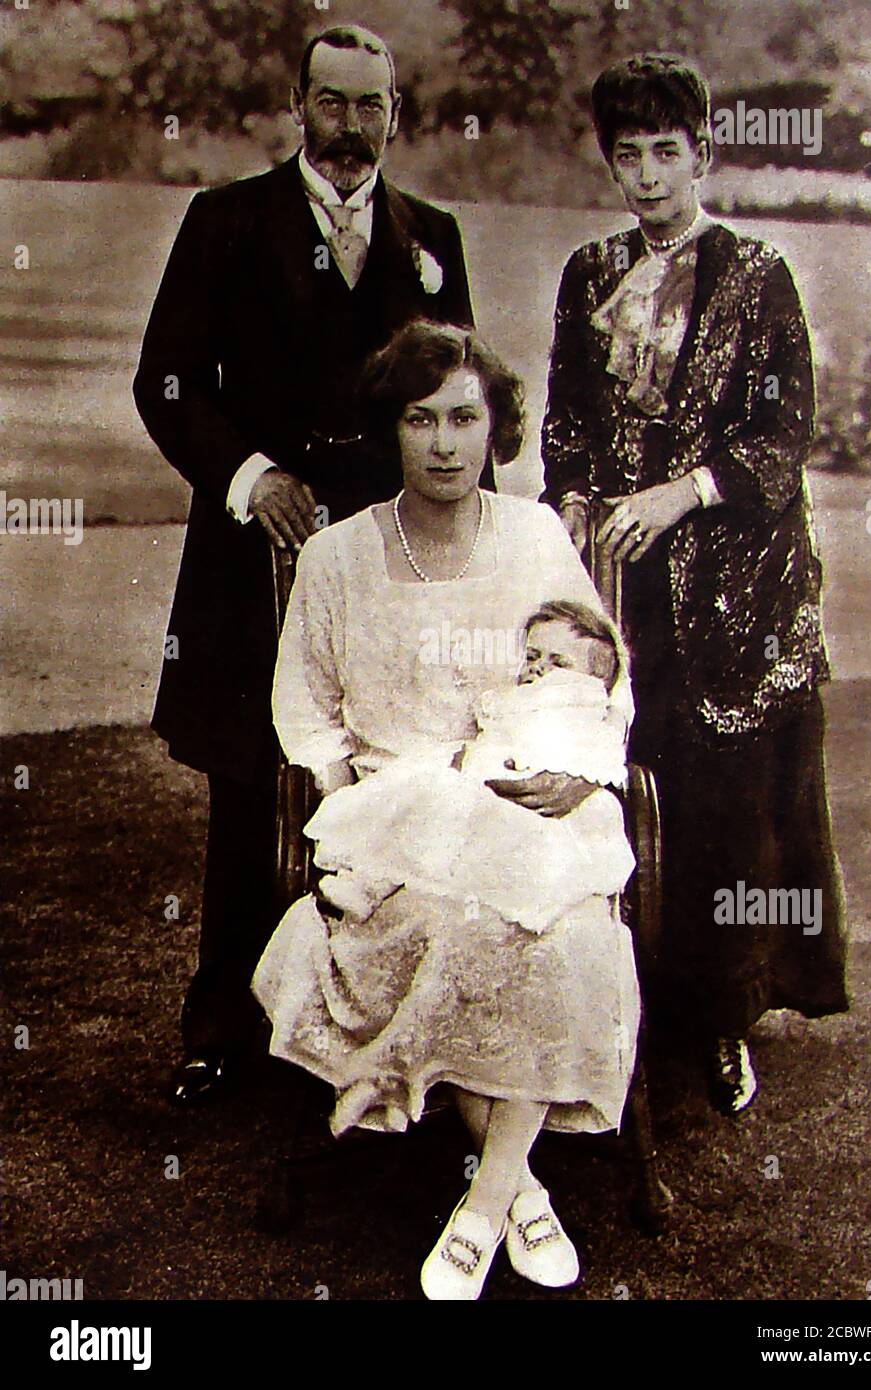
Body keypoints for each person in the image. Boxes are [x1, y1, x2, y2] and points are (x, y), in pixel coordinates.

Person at [253, 321, 641, 1299]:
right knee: (455, 926)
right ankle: (516, 1188)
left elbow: (607, 681)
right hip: (404, 816)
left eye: (463, 417)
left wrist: (583, 771)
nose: (442, 443)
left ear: (493, 427)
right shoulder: (338, 558)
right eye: (419, 418)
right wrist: (348, 817)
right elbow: (304, 708)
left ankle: (488, 1194)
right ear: (390, 429)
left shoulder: (538, 538)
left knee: (556, 929)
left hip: (528, 800)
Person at [132, 25, 474, 1105]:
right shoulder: (225, 222)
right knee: (253, 791)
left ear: (397, 114)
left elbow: (461, 404)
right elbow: (170, 382)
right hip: (253, 562)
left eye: (370, 106)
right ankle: (222, 1030)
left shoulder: (433, 237)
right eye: (330, 102)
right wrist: (251, 477)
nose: (349, 126)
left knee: (388, 774)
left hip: (390, 562)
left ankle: (384, 1034)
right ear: (297, 104)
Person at [541, 53, 848, 1117]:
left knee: (722, 805)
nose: (645, 176)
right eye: (626, 155)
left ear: (702, 153)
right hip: (620, 584)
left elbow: (780, 435)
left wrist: (676, 495)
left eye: (665, 153)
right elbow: (566, 418)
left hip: (734, 586)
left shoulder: (758, 276)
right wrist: (575, 498)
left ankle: (721, 1022)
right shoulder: (588, 273)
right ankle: (613, 1003)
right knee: (613, 782)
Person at [299, 599, 635, 935]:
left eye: (559, 664)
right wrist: (469, 760)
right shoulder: (512, 703)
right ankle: (363, 886)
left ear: (595, 685)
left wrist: (572, 770)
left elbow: (605, 761)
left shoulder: (589, 719)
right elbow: (489, 743)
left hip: (545, 822)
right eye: (532, 656)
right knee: (424, 807)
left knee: (451, 818)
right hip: (488, 800)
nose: (538, 669)